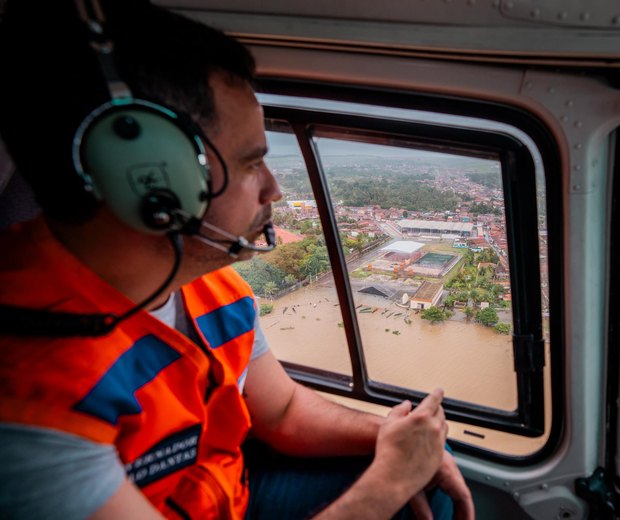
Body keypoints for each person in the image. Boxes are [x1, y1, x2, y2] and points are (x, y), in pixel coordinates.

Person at [0, 1, 474, 519]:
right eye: (251, 162)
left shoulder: (212, 288)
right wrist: (387, 482)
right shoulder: (28, 391)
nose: (272, 187)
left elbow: (285, 411)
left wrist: (395, 437)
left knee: (430, 463)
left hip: (229, 495)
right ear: (152, 182)